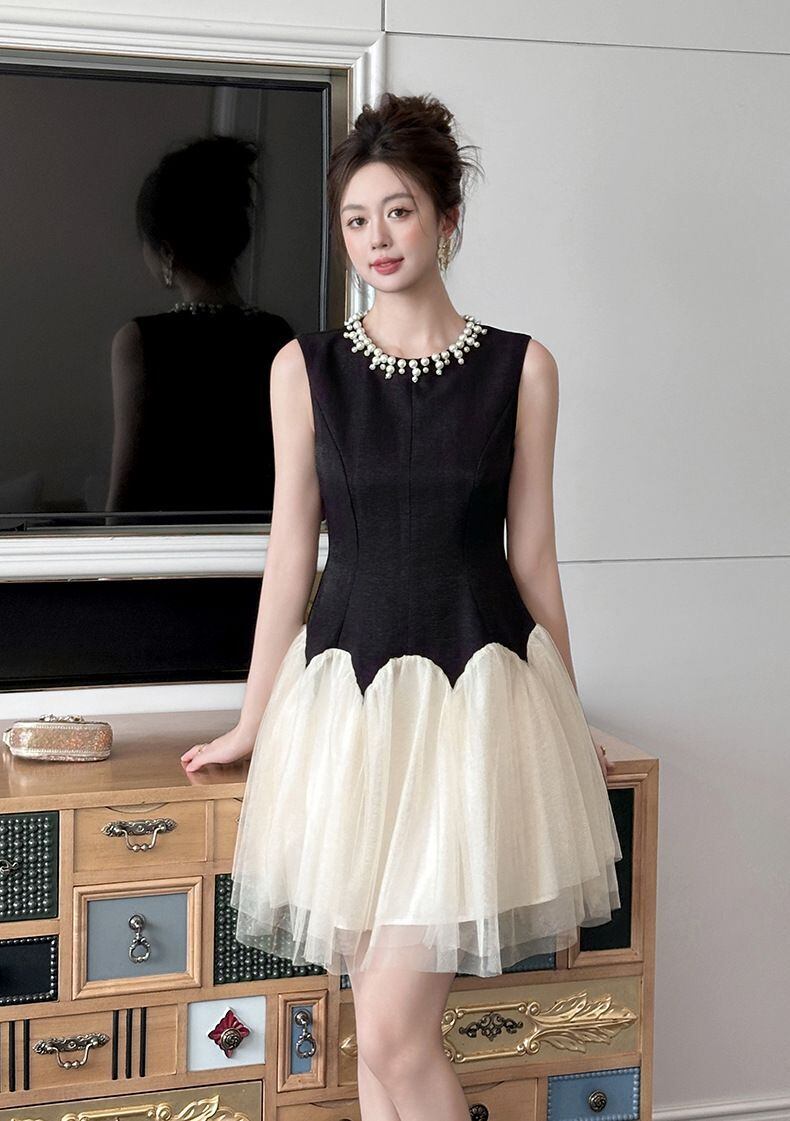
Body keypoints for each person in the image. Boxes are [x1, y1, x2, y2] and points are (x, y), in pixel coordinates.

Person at [180, 93, 623, 1121]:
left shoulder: (523, 369)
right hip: (349, 718)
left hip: (477, 715)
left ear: (446, 218)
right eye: (355, 218)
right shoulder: (305, 370)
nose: (376, 237)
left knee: (389, 1032)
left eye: (399, 211)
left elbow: (534, 558)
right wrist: (253, 717)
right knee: (376, 1046)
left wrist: (567, 713)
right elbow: (289, 556)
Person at [106, 135, 294, 520]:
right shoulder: (277, 335)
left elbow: (123, 500)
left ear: (166, 251)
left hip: (165, 552)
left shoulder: (139, 341)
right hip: (258, 548)